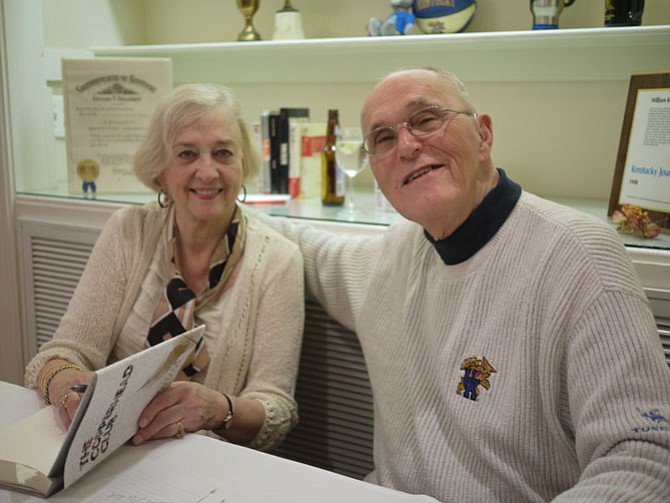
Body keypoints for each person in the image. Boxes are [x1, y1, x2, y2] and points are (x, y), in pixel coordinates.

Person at [256, 67, 670, 500]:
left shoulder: (579, 256)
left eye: (426, 119)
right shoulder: (391, 257)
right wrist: (219, 197)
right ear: (377, 176)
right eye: (383, 138)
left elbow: (643, 456)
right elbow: (309, 247)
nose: (407, 145)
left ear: (484, 137)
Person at [24, 83, 305, 451]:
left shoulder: (278, 261)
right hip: (108, 453)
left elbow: (277, 411)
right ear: (160, 171)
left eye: (223, 153)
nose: (207, 172)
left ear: (243, 164)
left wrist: (216, 409)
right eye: (187, 154)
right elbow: (62, 353)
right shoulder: (128, 231)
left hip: (211, 465)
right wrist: (64, 385)